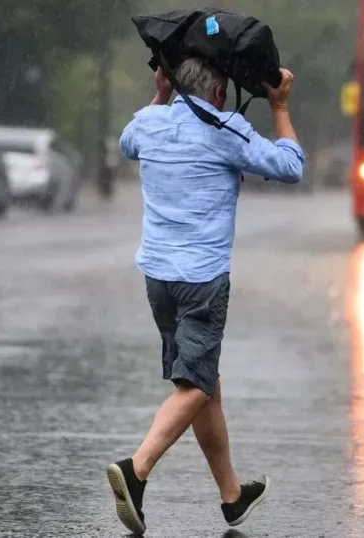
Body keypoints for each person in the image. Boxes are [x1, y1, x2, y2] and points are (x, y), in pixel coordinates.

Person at [106, 57, 305, 535]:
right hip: (201, 279)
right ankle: (137, 470)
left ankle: (232, 496)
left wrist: (159, 94)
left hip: (158, 277)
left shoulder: (150, 121)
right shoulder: (226, 128)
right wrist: (279, 107)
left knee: (204, 384)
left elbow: (125, 143)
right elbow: (290, 166)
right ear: (219, 92)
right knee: (194, 384)